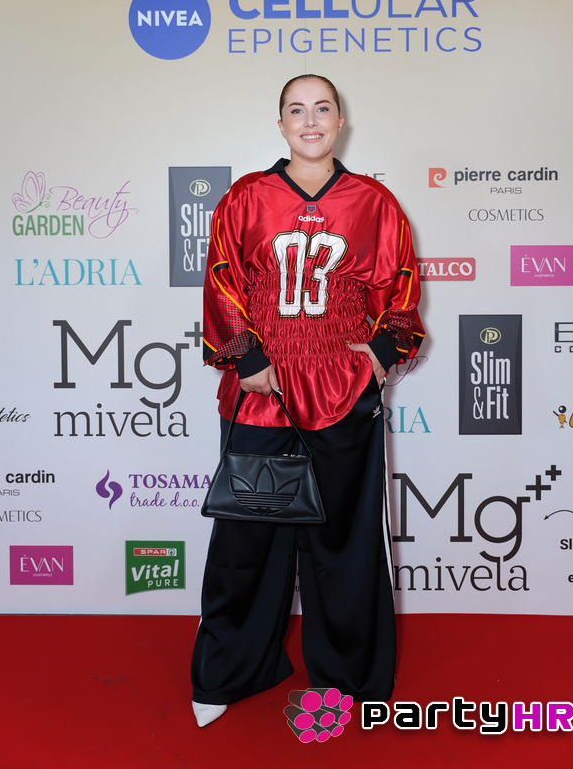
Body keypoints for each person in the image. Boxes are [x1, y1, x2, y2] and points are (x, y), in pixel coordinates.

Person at [191, 74, 424, 727]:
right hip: (261, 392)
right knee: (247, 539)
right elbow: (220, 278)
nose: (311, 120)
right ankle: (233, 669)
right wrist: (247, 358)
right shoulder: (246, 197)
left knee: (344, 539)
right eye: (297, 110)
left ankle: (350, 675)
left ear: (341, 120)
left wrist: (380, 354)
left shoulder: (374, 202)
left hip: (341, 390)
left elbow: (402, 292)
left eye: (323, 108)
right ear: (281, 125)